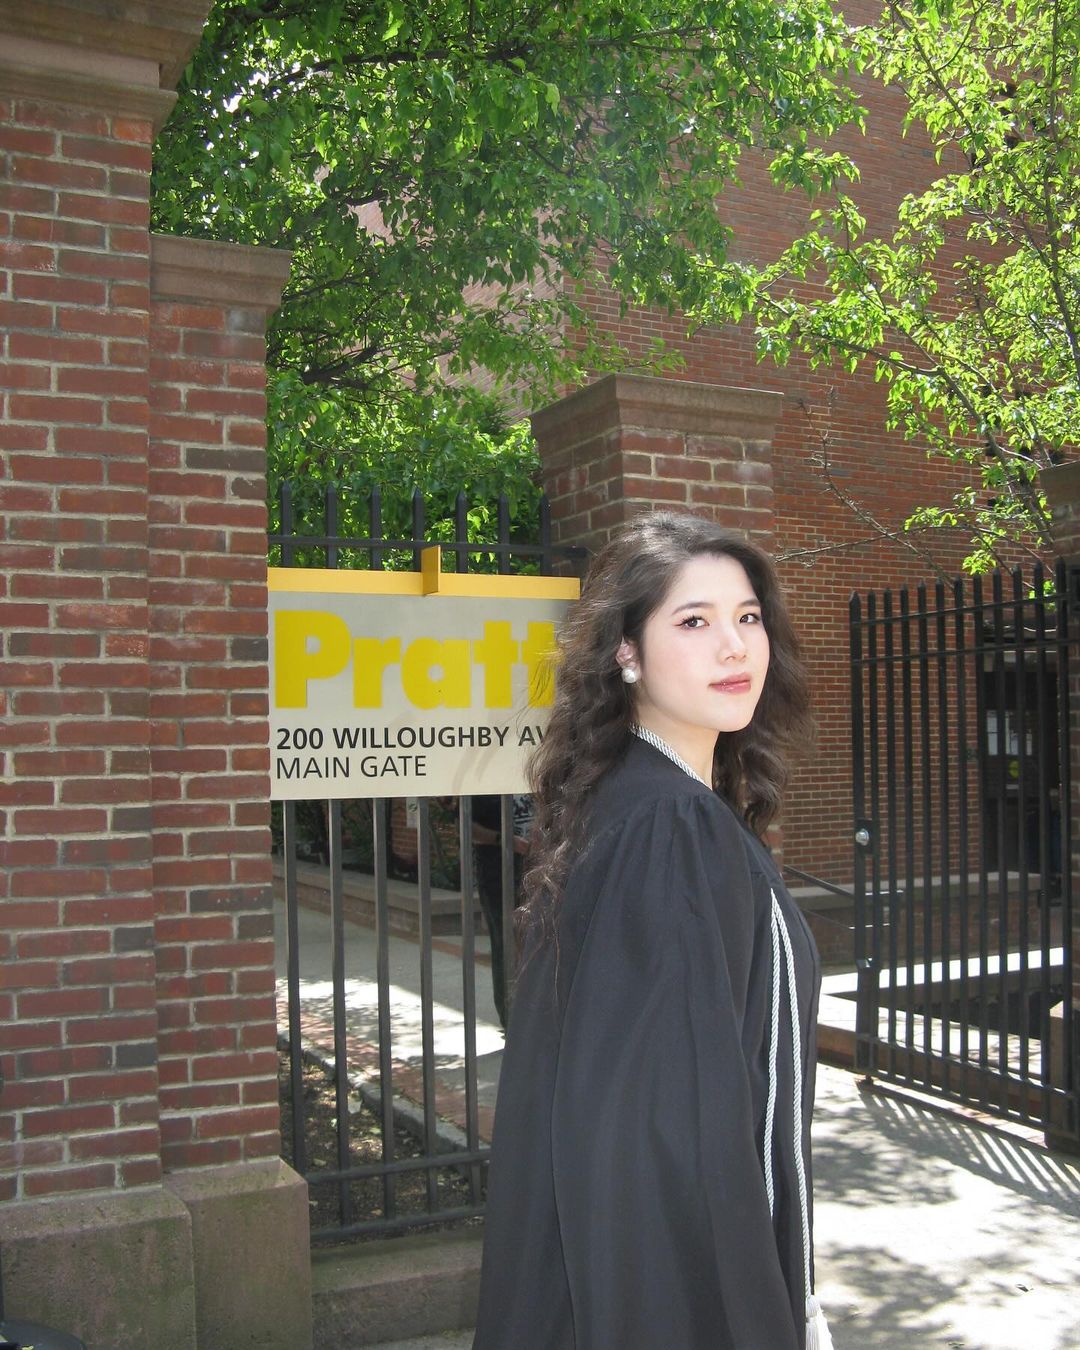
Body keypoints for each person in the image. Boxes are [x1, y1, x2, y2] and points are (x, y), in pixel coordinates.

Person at [472, 511, 830, 1350]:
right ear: (626, 654)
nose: (735, 646)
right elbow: (666, 1138)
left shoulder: (651, 806)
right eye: (694, 622)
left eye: (747, 618)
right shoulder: (669, 828)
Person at [471, 793, 534, 1029]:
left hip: (532, 875)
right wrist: (504, 839)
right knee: (505, 947)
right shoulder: (484, 789)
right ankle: (510, 1020)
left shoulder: (527, 780)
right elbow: (467, 828)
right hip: (498, 879)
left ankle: (527, 1016)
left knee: (529, 945)